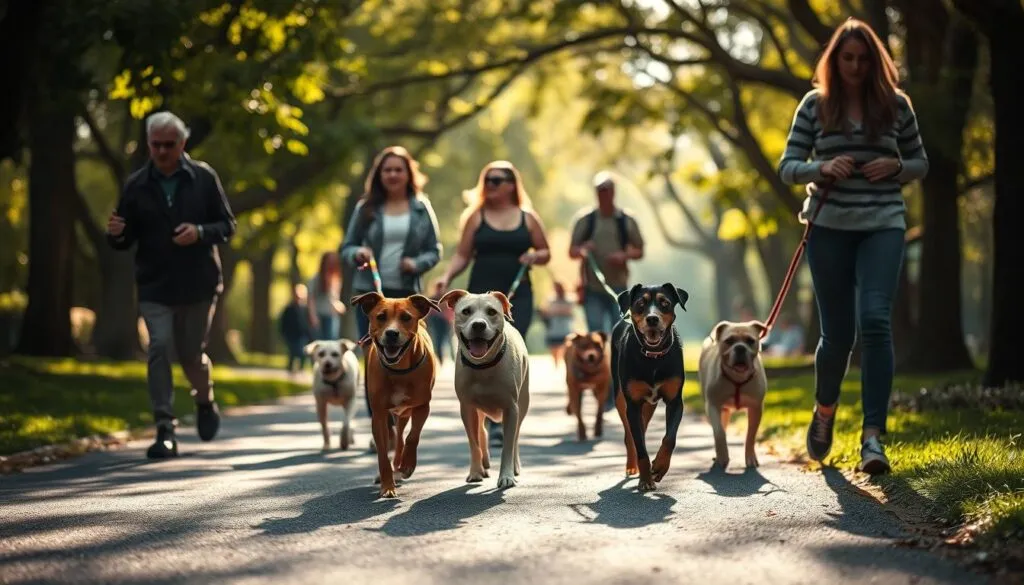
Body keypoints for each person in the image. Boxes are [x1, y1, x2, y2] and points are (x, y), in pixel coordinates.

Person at [777, 17, 929, 475]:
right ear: (835, 60)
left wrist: (896, 166)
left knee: (876, 321)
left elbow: (920, 162)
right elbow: (788, 166)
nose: (856, 66)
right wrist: (820, 168)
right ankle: (825, 412)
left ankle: (873, 439)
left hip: (883, 223)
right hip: (829, 227)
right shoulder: (814, 106)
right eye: (847, 58)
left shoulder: (896, 106)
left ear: (875, 61)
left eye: (864, 59)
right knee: (838, 334)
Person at [106, 110, 236, 459]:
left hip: (198, 284)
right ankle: (165, 427)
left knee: (191, 355)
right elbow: (123, 234)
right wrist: (116, 235)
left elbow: (227, 225)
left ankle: (205, 401)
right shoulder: (135, 185)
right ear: (149, 144)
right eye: (155, 144)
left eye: (169, 144)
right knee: (159, 347)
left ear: (182, 144)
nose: (162, 151)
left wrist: (200, 232)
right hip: (155, 285)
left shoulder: (204, 178)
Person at [435, 160, 552, 445]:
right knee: (475, 355)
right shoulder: (476, 217)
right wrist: (448, 276)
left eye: (497, 180)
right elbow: (463, 254)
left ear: (512, 184)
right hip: (479, 297)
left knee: (511, 352)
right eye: (487, 180)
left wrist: (535, 257)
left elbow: (545, 251)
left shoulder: (528, 217)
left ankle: (504, 415)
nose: (491, 185)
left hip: (516, 296)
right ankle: (482, 415)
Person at [340, 145, 442, 452]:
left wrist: (417, 263)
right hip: (372, 296)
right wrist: (357, 252)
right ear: (379, 175)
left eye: (399, 169)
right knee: (375, 363)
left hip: (407, 292)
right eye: (387, 170)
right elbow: (346, 246)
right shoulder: (365, 208)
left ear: (409, 174)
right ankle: (382, 428)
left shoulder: (421, 207)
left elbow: (434, 250)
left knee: (408, 359)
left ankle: (401, 425)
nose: (393, 174)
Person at [568, 171, 644, 410]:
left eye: (607, 189)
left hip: (619, 289)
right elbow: (572, 250)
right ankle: (602, 389)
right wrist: (583, 249)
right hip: (592, 288)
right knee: (597, 338)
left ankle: (615, 390)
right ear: (596, 192)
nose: (603, 194)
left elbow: (639, 250)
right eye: (599, 190)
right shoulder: (587, 220)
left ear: (614, 191)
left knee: (620, 340)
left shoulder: (625, 220)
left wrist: (624, 255)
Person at [306, 251, 346, 340]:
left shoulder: (337, 279)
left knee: (331, 340)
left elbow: (334, 299)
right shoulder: (316, 278)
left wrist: (339, 305)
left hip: (332, 315)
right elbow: (310, 299)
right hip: (319, 315)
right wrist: (313, 316)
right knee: (319, 341)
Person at [539, 281, 576, 368]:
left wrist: (555, 311)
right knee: (554, 352)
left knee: (566, 352)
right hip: (553, 330)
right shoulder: (550, 300)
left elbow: (570, 311)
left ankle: (565, 367)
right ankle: (556, 368)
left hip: (566, 330)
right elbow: (545, 312)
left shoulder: (570, 299)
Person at [279, 283, 312, 374]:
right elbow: (283, 323)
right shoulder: (288, 309)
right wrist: (284, 334)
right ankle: (290, 369)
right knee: (292, 352)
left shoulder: (305, 309)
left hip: (302, 335)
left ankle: (301, 369)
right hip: (291, 335)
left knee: (302, 353)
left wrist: (309, 334)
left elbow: (308, 323)